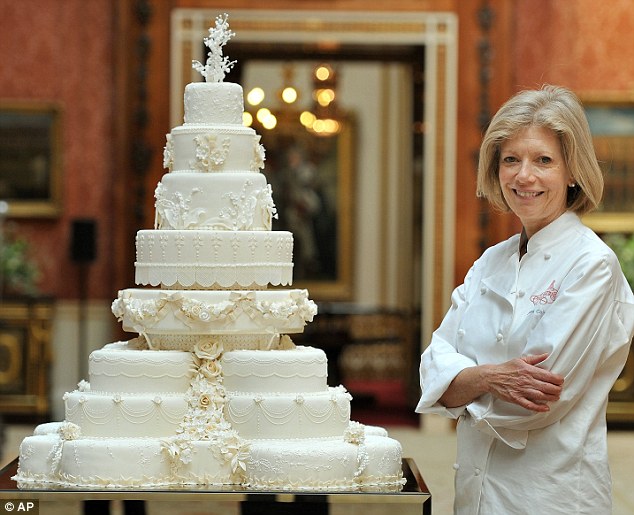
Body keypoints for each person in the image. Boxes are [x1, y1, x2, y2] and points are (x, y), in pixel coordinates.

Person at [416, 85, 634, 514]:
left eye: (543, 160)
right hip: (474, 493)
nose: (524, 176)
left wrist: (462, 382)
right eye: (511, 159)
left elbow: (536, 402)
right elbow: (431, 367)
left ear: (573, 171)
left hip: (551, 496)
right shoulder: (490, 261)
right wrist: (491, 378)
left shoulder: (593, 263)